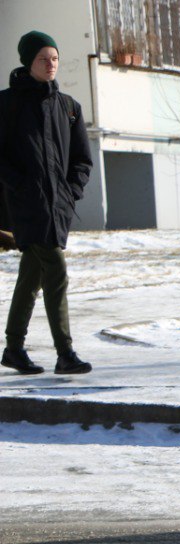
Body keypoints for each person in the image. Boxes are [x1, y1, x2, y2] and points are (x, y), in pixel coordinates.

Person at [0, 31, 93, 375]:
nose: (51, 64)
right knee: (56, 271)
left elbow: (82, 160)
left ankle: (13, 349)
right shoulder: (7, 104)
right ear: (28, 62)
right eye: (43, 58)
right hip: (26, 206)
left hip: (58, 207)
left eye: (54, 58)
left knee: (32, 275)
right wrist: (20, 186)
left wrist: (70, 193)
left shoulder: (68, 107)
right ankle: (65, 352)